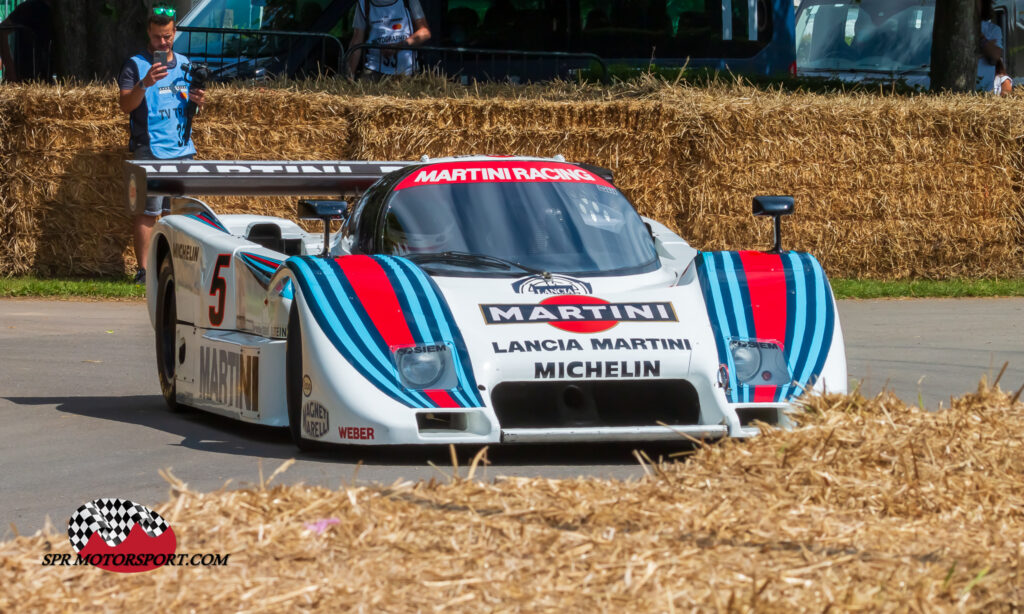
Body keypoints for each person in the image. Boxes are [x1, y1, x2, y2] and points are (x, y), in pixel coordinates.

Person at [118, 4, 205, 285]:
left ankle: (175, 270)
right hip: (150, 148)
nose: (163, 42)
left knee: (177, 212)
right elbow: (124, 105)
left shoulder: (185, 64)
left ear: (174, 32)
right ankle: (144, 271)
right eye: (157, 37)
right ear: (149, 33)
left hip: (183, 150)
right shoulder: (135, 65)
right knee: (148, 211)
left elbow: (190, 109)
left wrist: (197, 102)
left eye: (167, 36)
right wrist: (144, 84)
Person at [347, 0, 430, 79]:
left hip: (407, 72)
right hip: (374, 70)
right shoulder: (364, 2)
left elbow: (424, 32)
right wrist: (348, 75)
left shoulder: (408, 1)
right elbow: (357, 39)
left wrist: (399, 46)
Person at [0, 0, 52, 82]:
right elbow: (2, 30)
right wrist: (10, 70)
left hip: (45, 77)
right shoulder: (30, 7)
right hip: (27, 77)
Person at [977, 0, 1003, 92]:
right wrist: (986, 47)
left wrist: (980, 37)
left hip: (984, 92)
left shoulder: (993, 29)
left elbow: (995, 55)